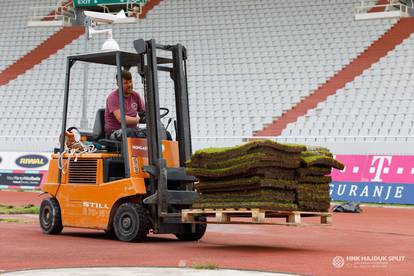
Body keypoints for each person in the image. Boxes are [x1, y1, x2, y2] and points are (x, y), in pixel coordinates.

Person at [104, 70, 145, 139]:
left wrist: (149, 117)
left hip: (133, 131)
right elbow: (122, 119)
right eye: (125, 83)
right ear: (118, 84)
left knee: (161, 133)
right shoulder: (113, 97)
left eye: (130, 82)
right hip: (115, 132)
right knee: (129, 133)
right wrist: (140, 120)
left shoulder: (135, 95)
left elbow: (144, 111)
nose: (129, 85)